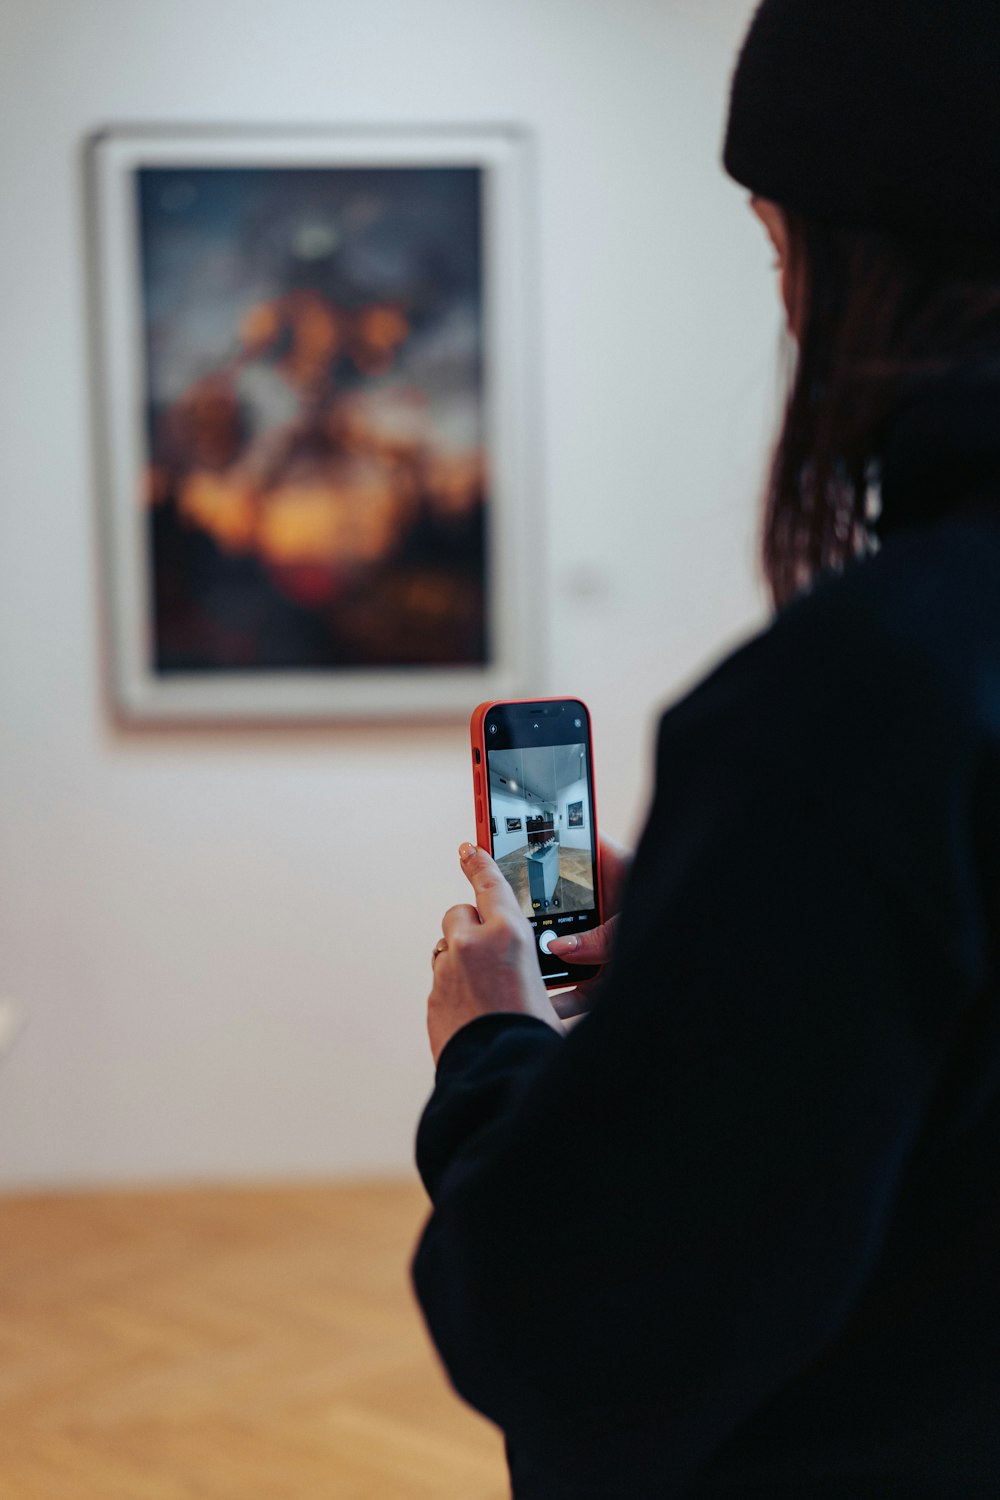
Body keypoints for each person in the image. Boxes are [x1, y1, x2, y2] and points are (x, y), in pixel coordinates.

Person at [411, 1, 1000, 1494]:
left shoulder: (867, 698)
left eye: (778, 245)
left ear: (866, 257)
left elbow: (572, 1321)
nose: (788, 300)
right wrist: (711, 929)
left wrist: (490, 1042)